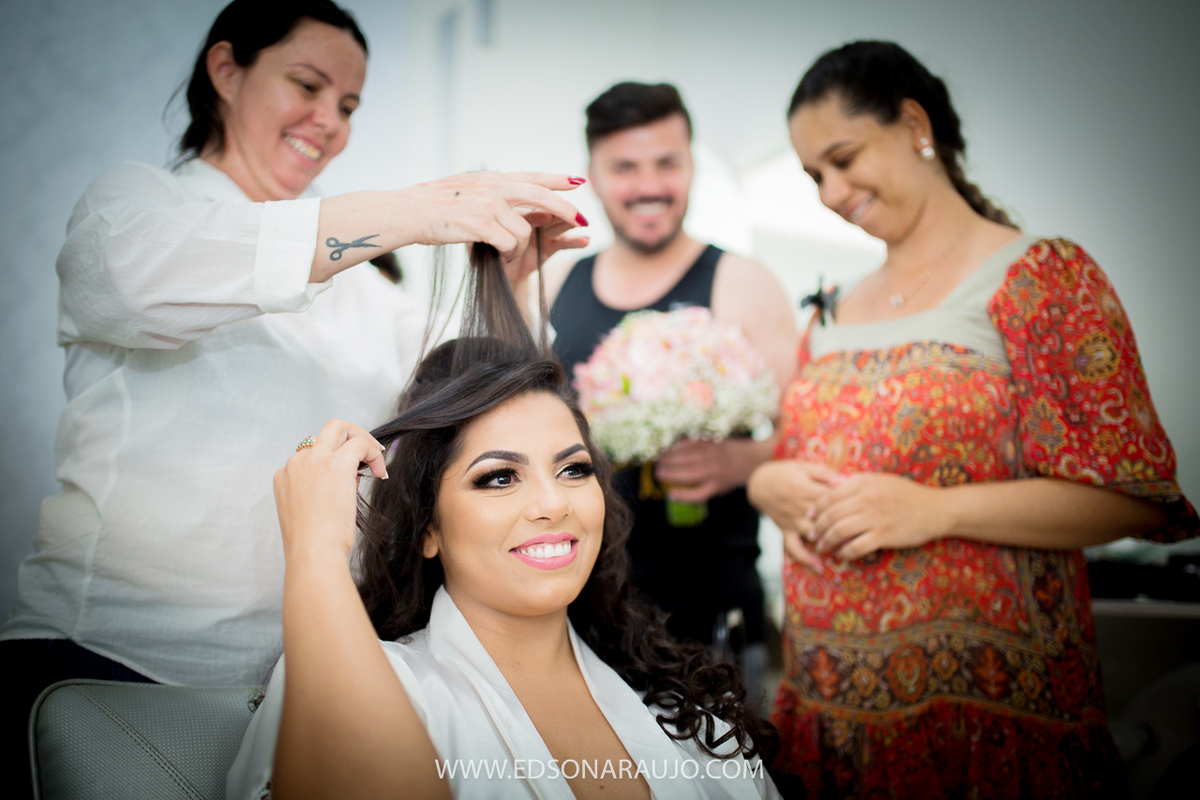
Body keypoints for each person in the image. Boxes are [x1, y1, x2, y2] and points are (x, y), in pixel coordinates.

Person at [2, 0, 588, 790]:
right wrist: (414, 210)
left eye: (347, 105)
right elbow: (136, 279)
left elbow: (463, 409)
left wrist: (510, 288)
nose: (329, 121)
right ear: (226, 70)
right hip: (112, 662)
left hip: (304, 675)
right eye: (308, 85)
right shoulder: (138, 207)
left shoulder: (363, 294)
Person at [747, 40, 1198, 798]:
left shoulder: (1040, 277)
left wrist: (932, 510)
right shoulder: (832, 305)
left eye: (844, 158)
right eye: (813, 176)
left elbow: (1134, 491)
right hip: (833, 713)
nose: (829, 190)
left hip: (986, 719)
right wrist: (769, 487)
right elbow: (791, 461)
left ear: (915, 125)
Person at [226, 245, 782, 799]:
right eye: (498, 477)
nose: (553, 503)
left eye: (573, 469)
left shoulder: (685, 713)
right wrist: (316, 548)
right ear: (427, 528)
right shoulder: (364, 679)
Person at [542, 82, 797, 692]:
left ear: (690, 166)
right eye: (625, 167)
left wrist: (743, 460)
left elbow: (816, 434)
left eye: (667, 163)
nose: (650, 185)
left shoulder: (741, 280)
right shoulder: (560, 285)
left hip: (711, 614)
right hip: (581, 616)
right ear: (594, 176)